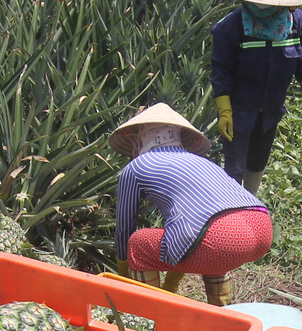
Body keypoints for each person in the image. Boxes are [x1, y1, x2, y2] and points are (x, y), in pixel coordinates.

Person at [112, 103, 272, 307]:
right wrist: (171, 283)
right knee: (216, 244)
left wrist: (123, 274)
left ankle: (149, 315)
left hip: (220, 235)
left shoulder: (136, 167)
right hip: (261, 225)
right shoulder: (201, 162)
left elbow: (124, 229)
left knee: (138, 243)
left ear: (140, 139)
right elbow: (190, 231)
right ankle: (222, 316)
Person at [210, 0, 302, 190]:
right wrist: (225, 110)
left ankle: (251, 208)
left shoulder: (295, 23)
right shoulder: (232, 26)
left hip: (271, 109)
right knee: (234, 168)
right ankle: (231, 216)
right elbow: (221, 70)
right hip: (239, 111)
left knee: (258, 162)